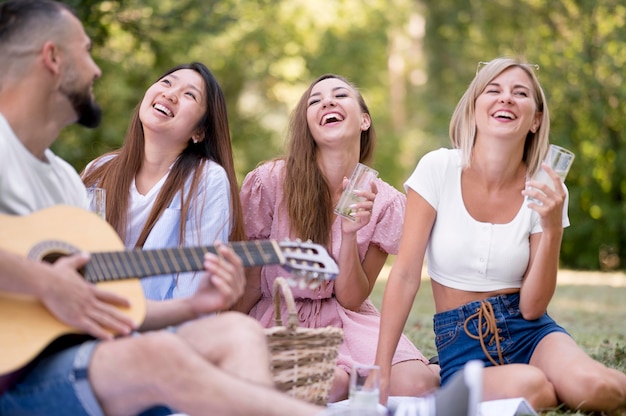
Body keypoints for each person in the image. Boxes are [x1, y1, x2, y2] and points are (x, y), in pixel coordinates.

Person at [0, 1, 323, 415]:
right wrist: (47, 284)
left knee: (240, 332)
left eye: (189, 94)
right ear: (52, 58)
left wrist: (192, 305)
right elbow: (62, 289)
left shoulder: (65, 180)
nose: (98, 70)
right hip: (20, 373)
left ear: (199, 130)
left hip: (79, 346)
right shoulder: (94, 173)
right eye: (86, 50)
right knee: (159, 355)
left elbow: (103, 303)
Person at [375, 57, 626, 413]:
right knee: (531, 386)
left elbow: (533, 306)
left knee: (597, 387)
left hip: (530, 331)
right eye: (493, 90)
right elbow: (402, 276)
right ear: (474, 108)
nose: (506, 98)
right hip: (463, 342)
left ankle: (573, 381)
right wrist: (381, 369)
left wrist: (552, 227)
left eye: (520, 93)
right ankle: (554, 385)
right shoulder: (437, 168)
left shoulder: (548, 189)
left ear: (535, 119)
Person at [235, 74, 440, 402]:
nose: (326, 102)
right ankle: (344, 382)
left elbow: (352, 298)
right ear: (309, 124)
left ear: (364, 120)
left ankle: (433, 368)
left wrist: (349, 236)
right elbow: (248, 279)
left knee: (416, 386)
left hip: (348, 318)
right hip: (279, 317)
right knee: (321, 386)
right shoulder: (270, 182)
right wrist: (222, 335)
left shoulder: (384, 202)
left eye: (339, 95)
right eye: (315, 100)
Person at [81, 61, 245, 303]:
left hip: (159, 329)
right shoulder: (99, 171)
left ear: (199, 132)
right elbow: (75, 251)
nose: (170, 94)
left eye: (190, 94)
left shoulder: (207, 179)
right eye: (167, 82)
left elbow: (192, 287)